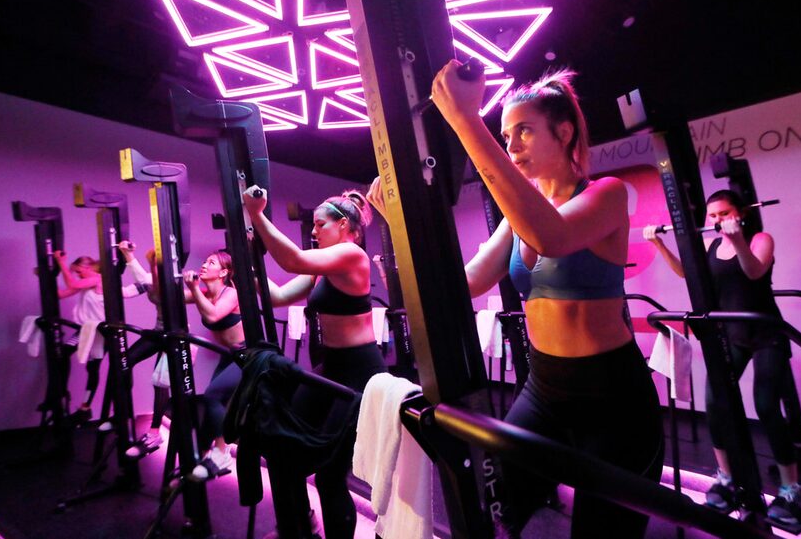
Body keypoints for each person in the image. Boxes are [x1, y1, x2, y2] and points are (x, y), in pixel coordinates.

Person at [368, 67, 664, 539]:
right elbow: (462, 285)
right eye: (506, 135)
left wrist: (467, 120)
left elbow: (551, 235)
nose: (512, 145)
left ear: (564, 132)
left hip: (612, 398)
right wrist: (395, 228)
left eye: (523, 130)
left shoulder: (605, 195)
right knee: (497, 512)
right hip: (545, 389)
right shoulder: (516, 218)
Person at [644, 189, 801, 526]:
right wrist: (659, 245)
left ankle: (791, 488)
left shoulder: (761, 239)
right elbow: (686, 273)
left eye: (723, 214)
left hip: (765, 334)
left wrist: (738, 241)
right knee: (716, 402)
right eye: (712, 216)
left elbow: (754, 272)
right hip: (733, 334)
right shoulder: (710, 245)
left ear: (740, 215)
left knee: (765, 405)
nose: (717, 221)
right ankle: (725, 478)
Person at [243, 187, 386, 539]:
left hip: (359, 375)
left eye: (320, 225)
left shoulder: (353, 255)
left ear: (343, 226)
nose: (313, 231)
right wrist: (249, 266)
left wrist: (257, 215)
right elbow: (277, 297)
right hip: (331, 368)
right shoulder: (321, 268)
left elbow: (292, 258)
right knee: (282, 449)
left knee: (329, 474)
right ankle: (300, 524)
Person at [54, 251, 145, 426]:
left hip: (101, 331)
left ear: (87, 267)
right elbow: (62, 293)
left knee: (110, 367)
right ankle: (75, 403)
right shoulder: (85, 284)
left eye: (79, 272)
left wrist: (61, 262)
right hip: (87, 329)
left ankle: (106, 411)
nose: (78, 276)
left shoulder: (97, 279)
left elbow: (71, 282)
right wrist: (47, 276)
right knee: (70, 357)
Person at [183, 249, 245, 481]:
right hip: (228, 355)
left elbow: (213, 317)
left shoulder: (231, 293)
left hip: (247, 355)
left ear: (224, 272)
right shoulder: (205, 293)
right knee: (214, 402)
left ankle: (223, 452)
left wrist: (192, 290)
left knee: (212, 396)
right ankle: (207, 453)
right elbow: (162, 297)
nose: (205, 265)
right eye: (205, 261)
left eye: (211, 263)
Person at [116, 241, 169, 458]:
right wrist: (100, 280)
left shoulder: (173, 282)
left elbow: (156, 293)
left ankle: (155, 432)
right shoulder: (149, 279)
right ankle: (122, 415)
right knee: (124, 361)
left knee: (160, 382)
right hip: (158, 332)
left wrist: (130, 257)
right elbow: (127, 292)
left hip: (175, 337)